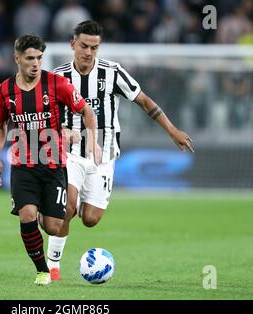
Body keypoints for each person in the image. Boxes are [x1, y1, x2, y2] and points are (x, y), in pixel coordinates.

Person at [47, 20, 194, 280]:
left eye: (94, 47)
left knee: (91, 219)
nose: (89, 52)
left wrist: (172, 130)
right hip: (69, 153)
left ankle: (62, 202)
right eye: (84, 46)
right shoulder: (58, 77)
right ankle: (53, 266)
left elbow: (144, 100)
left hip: (104, 155)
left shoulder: (112, 72)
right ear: (73, 44)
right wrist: (61, 132)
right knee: (67, 207)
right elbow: (46, 116)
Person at [0, 34, 97, 286]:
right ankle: (42, 271)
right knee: (26, 215)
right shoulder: (3, 91)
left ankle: (42, 210)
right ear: (17, 59)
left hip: (53, 167)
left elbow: (86, 110)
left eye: (39, 57)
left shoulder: (57, 84)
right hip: (23, 166)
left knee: (52, 226)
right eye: (30, 58)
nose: (36, 63)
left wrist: (90, 138)